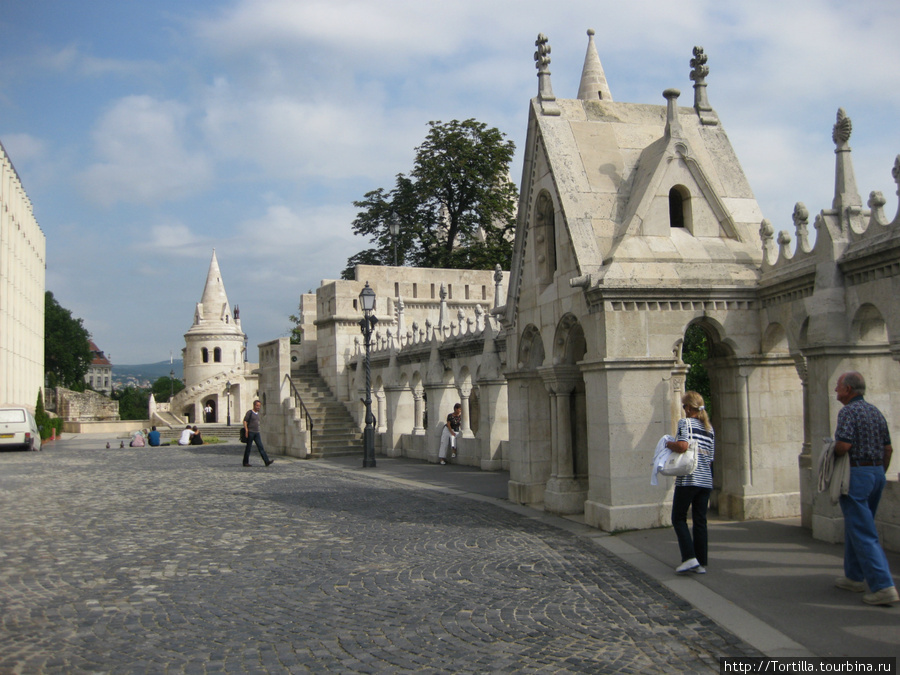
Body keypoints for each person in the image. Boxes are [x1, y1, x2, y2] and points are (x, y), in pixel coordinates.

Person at [831, 371, 898, 606]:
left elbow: (844, 445)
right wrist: (879, 471)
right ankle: (854, 576)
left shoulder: (848, 412)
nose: (836, 391)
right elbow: (888, 448)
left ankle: (883, 586)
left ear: (848, 389)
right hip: (877, 472)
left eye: (838, 387)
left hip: (856, 474)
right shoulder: (875, 411)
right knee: (857, 524)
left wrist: (833, 449)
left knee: (863, 531)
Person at [665, 390, 715, 574]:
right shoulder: (709, 429)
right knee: (700, 521)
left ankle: (689, 558)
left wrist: (668, 444)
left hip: (688, 479)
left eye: (683, 405)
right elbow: (710, 457)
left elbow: (682, 446)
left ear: (687, 407)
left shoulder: (685, 423)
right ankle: (701, 562)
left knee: (678, 518)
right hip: (706, 480)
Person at [243, 400, 273, 467]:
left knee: (260, 447)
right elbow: (245, 421)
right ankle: (245, 462)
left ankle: (266, 461)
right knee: (248, 448)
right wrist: (246, 430)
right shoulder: (250, 412)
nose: (258, 407)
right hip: (250, 432)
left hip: (257, 433)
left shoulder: (258, 414)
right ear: (254, 405)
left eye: (259, 406)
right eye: (257, 405)